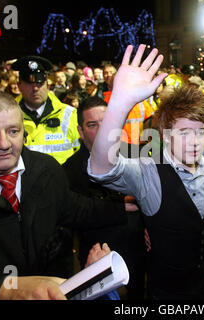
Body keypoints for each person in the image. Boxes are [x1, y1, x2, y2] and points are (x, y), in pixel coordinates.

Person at [0, 90, 127, 299]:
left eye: (13, 131)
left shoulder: (46, 169)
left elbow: (74, 208)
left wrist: (122, 207)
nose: (4, 143)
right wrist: (4, 289)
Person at [88, 44, 204, 300]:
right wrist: (120, 100)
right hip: (166, 293)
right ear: (164, 135)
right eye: (184, 133)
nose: (195, 141)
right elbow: (100, 169)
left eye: (200, 132)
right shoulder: (149, 173)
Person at [62, 96, 146, 299]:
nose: (102, 130)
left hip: (138, 254)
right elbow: (73, 214)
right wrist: (118, 206)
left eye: (106, 122)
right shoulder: (68, 172)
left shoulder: (138, 157)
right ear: (81, 132)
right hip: (97, 261)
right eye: (92, 125)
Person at [12, 56, 80, 165]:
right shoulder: (7, 116)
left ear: (48, 86)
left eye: (39, 83)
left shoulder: (69, 114)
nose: (35, 89)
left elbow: (81, 155)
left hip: (62, 180)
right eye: (29, 83)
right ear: (19, 86)